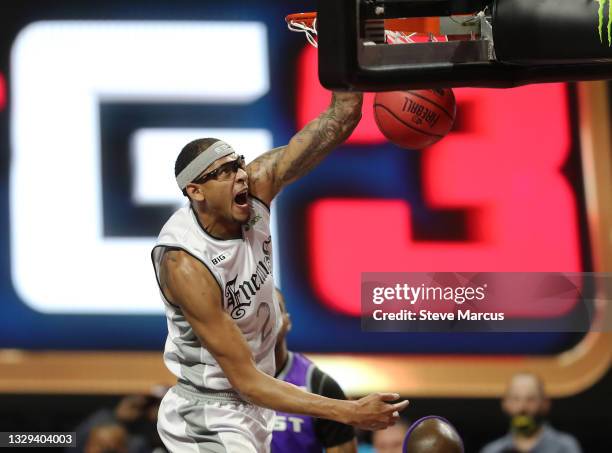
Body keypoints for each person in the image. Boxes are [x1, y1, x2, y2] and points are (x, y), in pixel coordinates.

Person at [151, 91, 409, 452]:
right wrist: (348, 411)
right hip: (210, 409)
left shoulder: (255, 187)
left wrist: (347, 90)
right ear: (196, 191)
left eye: (237, 163)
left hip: (255, 403)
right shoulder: (186, 263)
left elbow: (334, 123)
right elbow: (245, 380)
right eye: (223, 172)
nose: (240, 175)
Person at [271, 287, 357, 453]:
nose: (268, 318)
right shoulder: (222, 380)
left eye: (275, 309)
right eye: (260, 309)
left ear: (287, 322)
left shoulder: (320, 386)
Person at [480, 372, 582, 453]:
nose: (522, 407)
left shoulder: (565, 447)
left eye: (531, 399)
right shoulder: (493, 450)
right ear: (505, 404)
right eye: (516, 399)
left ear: (545, 403)